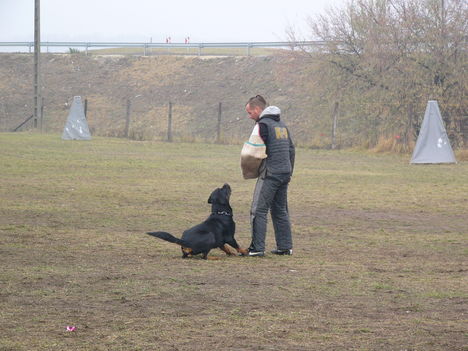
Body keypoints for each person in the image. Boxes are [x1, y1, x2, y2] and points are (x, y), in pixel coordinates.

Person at [244, 95, 295, 257]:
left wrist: (250, 171)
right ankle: (285, 247)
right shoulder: (282, 125)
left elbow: (252, 152)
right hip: (285, 172)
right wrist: (289, 171)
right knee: (280, 210)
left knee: (258, 210)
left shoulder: (262, 125)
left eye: (250, 112)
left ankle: (257, 248)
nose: (249, 116)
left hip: (270, 173)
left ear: (258, 110)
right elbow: (291, 150)